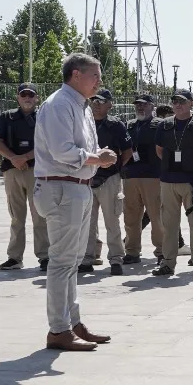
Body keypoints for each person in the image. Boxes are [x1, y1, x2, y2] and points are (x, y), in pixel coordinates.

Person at [34, 53, 117, 349]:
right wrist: (97, 158)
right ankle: (58, 330)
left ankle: (73, 323)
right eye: (94, 75)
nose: (99, 82)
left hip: (78, 187)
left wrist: (97, 156)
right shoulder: (59, 104)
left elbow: (82, 148)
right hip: (61, 188)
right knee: (61, 263)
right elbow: (61, 151)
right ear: (76, 75)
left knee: (72, 262)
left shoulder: (80, 105)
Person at [151, 90, 193, 277]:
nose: (178, 105)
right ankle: (168, 263)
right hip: (168, 181)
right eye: (175, 101)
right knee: (169, 224)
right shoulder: (164, 125)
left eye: (182, 101)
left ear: (191, 104)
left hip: (192, 181)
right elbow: (159, 151)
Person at [0, 84, 48, 272]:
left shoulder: (43, 117)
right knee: (16, 216)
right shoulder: (7, 117)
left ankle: (45, 256)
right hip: (12, 170)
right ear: (17, 98)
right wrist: (13, 158)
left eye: (30, 95)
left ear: (37, 98)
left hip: (36, 170)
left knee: (40, 215)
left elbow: (47, 143)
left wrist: (24, 157)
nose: (27, 98)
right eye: (23, 95)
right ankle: (14, 257)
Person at [82, 88, 130, 275]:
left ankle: (116, 258)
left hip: (109, 179)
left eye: (101, 101)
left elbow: (126, 150)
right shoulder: (85, 123)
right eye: (94, 100)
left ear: (110, 104)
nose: (96, 104)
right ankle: (88, 257)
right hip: (87, 177)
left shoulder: (116, 125)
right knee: (87, 221)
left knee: (112, 220)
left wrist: (115, 167)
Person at [122, 93, 166, 266]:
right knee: (131, 216)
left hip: (153, 177)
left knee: (157, 217)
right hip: (131, 176)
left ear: (152, 106)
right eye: (137, 105)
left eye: (144, 104)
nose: (140, 107)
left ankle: (162, 251)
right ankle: (132, 251)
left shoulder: (160, 126)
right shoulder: (129, 125)